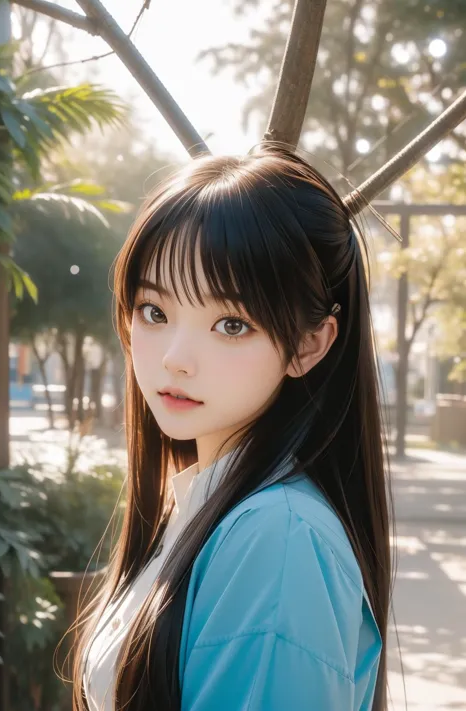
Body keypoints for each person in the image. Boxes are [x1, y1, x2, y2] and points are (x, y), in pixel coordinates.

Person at [72, 144, 392, 711]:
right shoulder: (215, 504)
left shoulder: (278, 537)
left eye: (230, 323)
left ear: (307, 344)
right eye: (154, 311)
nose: (175, 357)